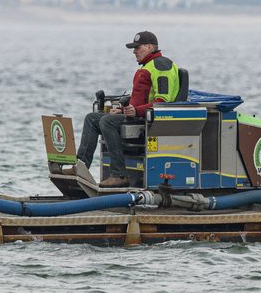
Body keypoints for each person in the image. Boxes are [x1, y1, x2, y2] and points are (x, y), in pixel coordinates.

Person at [74, 31, 181, 188]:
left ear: (150, 47)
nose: (134, 51)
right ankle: (80, 168)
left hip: (150, 119)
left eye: (137, 47)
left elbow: (162, 102)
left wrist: (136, 111)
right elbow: (140, 97)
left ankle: (119, 175)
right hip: (138, 115)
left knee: (108, 122)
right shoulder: (148, 66)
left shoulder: (161, 66)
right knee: (92, 118)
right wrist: (121, 109)